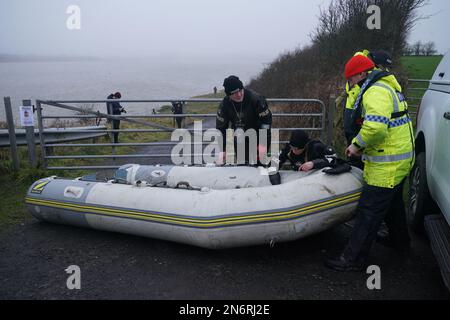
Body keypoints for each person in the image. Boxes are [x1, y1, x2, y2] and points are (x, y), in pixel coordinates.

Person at [325, 54, 414, 272]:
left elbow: (375, 128)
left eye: (352, 78)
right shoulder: (386, 86)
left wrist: (355, 145)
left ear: (362, 74)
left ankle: (353, 258)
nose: (351, 82)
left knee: (369, 210)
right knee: (393, 204)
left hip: (388, 163)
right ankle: (400, 242)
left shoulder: (375, 91)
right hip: (401, 158)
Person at [216, 75, 272, 165]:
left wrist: (263, 144)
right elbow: (221, 129)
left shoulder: (256, 99)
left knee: (259, 166)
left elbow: (266, 122)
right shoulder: (225, 105)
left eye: (240, 90)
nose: (238, 95)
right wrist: (222, 150)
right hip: (240, 139)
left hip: (258, 136)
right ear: (228, 95)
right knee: (243, 167)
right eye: (234, 93)